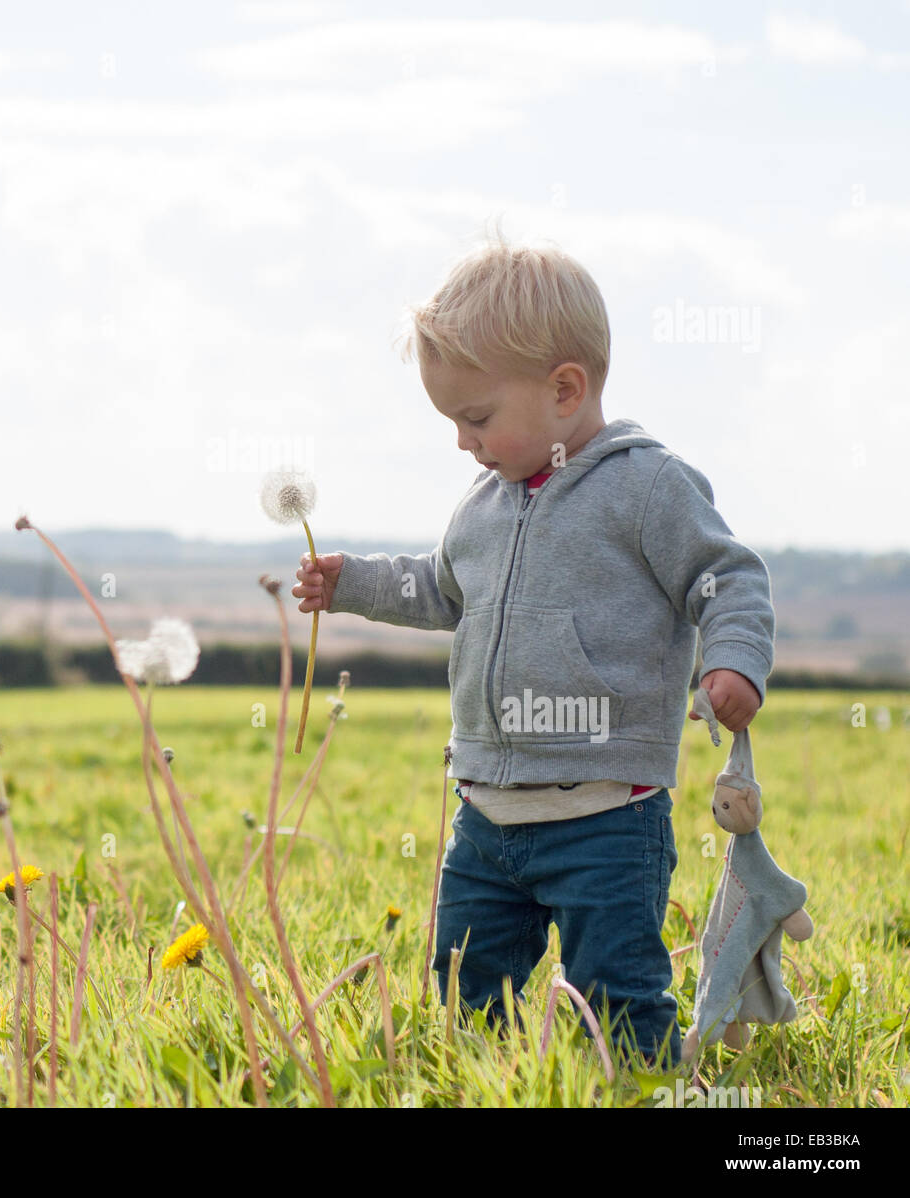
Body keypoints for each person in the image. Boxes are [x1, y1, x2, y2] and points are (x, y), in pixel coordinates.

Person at [292, 233, 775, 1069]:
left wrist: (732, 662)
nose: (462, 442)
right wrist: (352, 583)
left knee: (616, 993)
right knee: (466, 988)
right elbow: (438, 590)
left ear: (564, 389)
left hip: (606, 814)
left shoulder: (647, 487)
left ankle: (646, 1086)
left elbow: (726, 578)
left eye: (475, 418)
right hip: (484, 813)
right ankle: (493, 1083)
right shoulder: (483, 504)